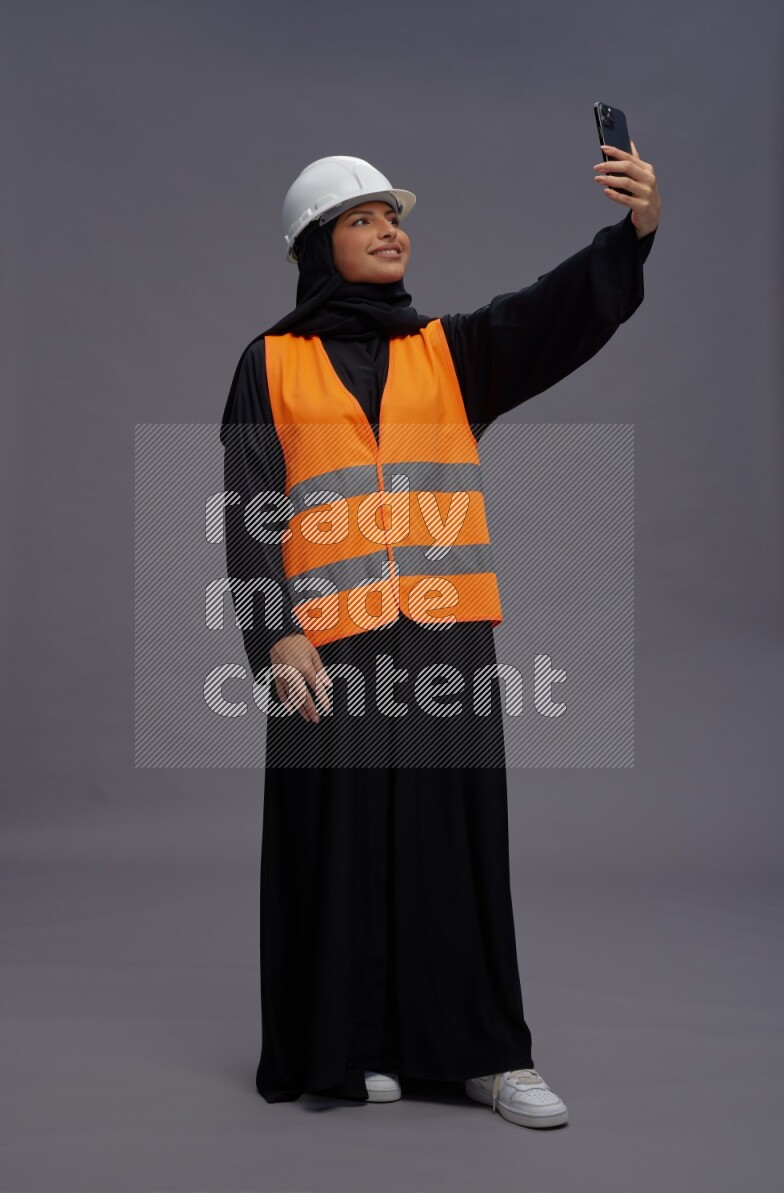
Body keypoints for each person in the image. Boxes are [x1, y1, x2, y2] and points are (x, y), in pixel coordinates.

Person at [220, 151, 660, 1128]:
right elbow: (248, 503)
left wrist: (628, 236)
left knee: (451, 838)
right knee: (333, 839)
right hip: (326, 644)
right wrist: (272, 631)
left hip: (442, 636)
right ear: (315, 247)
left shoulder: (448, 352)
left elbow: (553, 311)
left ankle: (486, 1055)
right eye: (361, 218)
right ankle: (351, 1043)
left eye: (393, 215)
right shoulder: (269, 361)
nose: (389, 229)